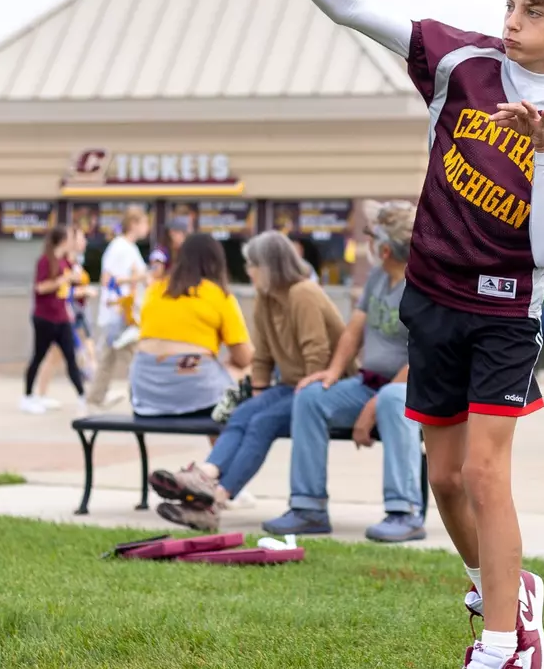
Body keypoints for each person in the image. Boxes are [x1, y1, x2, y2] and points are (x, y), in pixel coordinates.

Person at [198, 0, 544, 669]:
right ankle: (507, 588)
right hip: (432, 302)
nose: (512, 21)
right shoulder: (464, 63)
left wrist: (541, 152)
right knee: (446, 479)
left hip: (504, 314)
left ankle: (502, 656)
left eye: (532, 12)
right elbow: (360, 11)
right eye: (510, 4)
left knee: (486, 474)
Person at [149, 231, 344, 532]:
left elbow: (316, 357)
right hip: (290, 386)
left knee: (262, 422)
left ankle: (213, 501)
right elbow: (262, 357)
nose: (248, 270)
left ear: (269, 266)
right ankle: (205, 475)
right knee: (243, 413)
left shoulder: (303, 293)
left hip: (323, 388)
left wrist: (279, 401)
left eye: (252, 264)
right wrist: (258, 394)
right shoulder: (265, 299)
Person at [263, 201, 426, 542]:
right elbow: (354, 330)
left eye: (372, 237)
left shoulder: (425, 286)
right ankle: (308, 508)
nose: (368, 243)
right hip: (370, 384)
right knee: (310, 397)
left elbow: (423, 356)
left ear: (386, 249)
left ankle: (405, 512)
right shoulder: (378, 278)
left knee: (392, 400)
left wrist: (372, 408)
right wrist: (333, 373)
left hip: (413, 389)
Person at [128, 231, 254, 419]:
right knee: (248, 370)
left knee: (215, 371)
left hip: (145, 393)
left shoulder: (154, 291)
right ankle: (220, 438)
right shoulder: (219, 295)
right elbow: (245, 358)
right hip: (197, 390)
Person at [19, 225, 88, 415]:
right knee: (38, 356)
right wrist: (62, 280)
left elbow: (70, 286)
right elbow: (40, 287)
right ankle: (27, 396)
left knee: (70, 358)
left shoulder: (65, 262)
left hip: (62, 317)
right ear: (62, 241)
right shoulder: (45, 261)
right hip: (44, 317)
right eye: (70, 238)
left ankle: (83, 396)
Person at [87, 207, 150, 410]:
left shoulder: (129, 248)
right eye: (144, 223)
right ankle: (143, 398)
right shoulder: (120, 247)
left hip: (122, 313)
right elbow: (108, 280)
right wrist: (139, 277)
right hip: (120, 314)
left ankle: (95, 397)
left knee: (109, 358)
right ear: (133, 224)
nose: (147, 228)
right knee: (135, 358)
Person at [33, 227, 94, 407]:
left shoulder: (73, 261)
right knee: (58, 356)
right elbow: (58, 289)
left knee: (74, 354)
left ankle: (86, 394)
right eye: (80, 238)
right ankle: (40, 395)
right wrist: (80, 291)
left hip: (72, 313)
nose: (84, 242)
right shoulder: (59, 261)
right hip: (62, 314)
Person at [148, 217, 189, 283]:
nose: (183, 237)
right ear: (171, 233)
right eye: (180, 233)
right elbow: (155, 274)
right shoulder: (160, 252)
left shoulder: (185, 250)